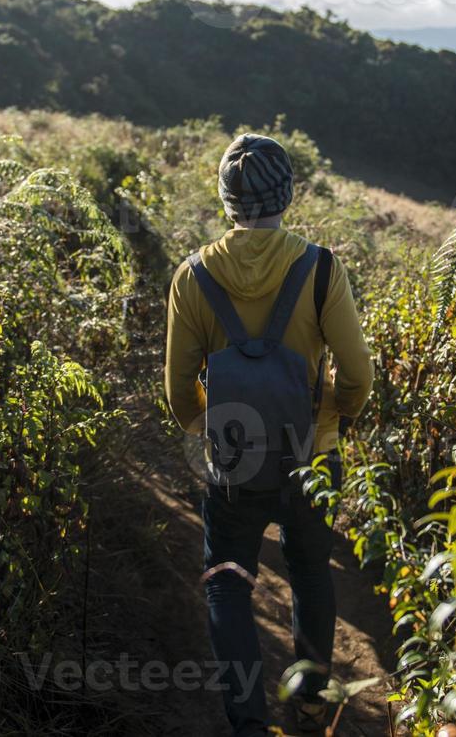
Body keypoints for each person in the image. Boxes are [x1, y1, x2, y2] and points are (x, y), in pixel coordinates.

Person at [164, 134, 374, 737]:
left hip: (232, 463)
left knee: (228, 583)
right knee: (310, 571)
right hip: (312, 454)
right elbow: (357, 374)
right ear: (289, 194)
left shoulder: (192, 276)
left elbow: (179, 392)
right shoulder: (320, 269)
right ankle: (309, 706)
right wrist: (336, 415)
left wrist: (219, 433)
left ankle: (248, 723)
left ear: (225, 199)